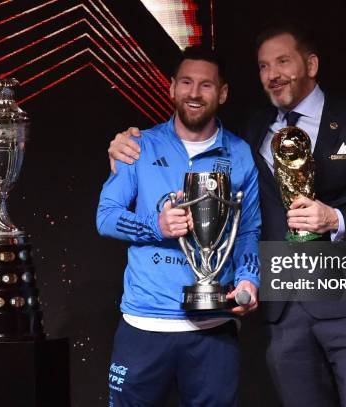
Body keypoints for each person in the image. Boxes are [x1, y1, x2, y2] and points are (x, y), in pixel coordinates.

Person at [108, 24, 346, 407]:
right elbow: (244, 216)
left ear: (311, 64)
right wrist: (123, 146)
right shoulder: (251, 132)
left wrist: (336, 219)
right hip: (285, 314)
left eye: (283, 61)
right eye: (264, 66)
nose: (273, 74)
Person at [97, 46, 261, 407]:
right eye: (186, 82)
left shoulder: (240, 153)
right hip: (145, 324)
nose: (194, 93)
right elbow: (105, 217)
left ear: (223, 93)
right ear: (171, 87)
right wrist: (155, 225)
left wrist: (250, 278)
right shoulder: (137, 146)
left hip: (212, 327)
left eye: (206, 85)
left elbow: (248, 230)